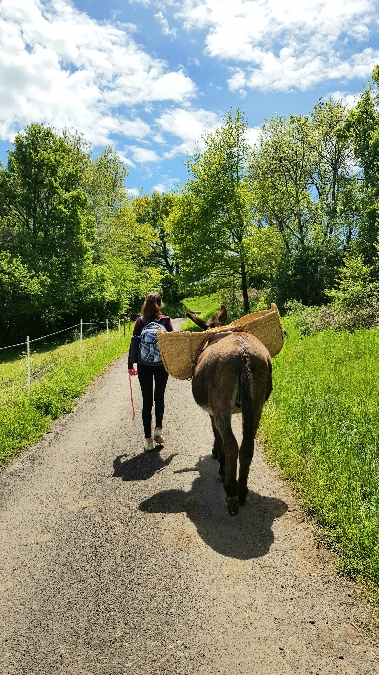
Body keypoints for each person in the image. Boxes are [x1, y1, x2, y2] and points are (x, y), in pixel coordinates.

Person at [128, 292, 174, 451]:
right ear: (160, 305)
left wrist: (130, 365)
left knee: (147, 400)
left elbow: (134, 343)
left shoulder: (140, 322)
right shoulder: (166, 321)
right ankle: (158, 430)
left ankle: (148, 440)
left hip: (144, 365)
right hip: (162, 366)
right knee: (159, 396)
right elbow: (172, 344)